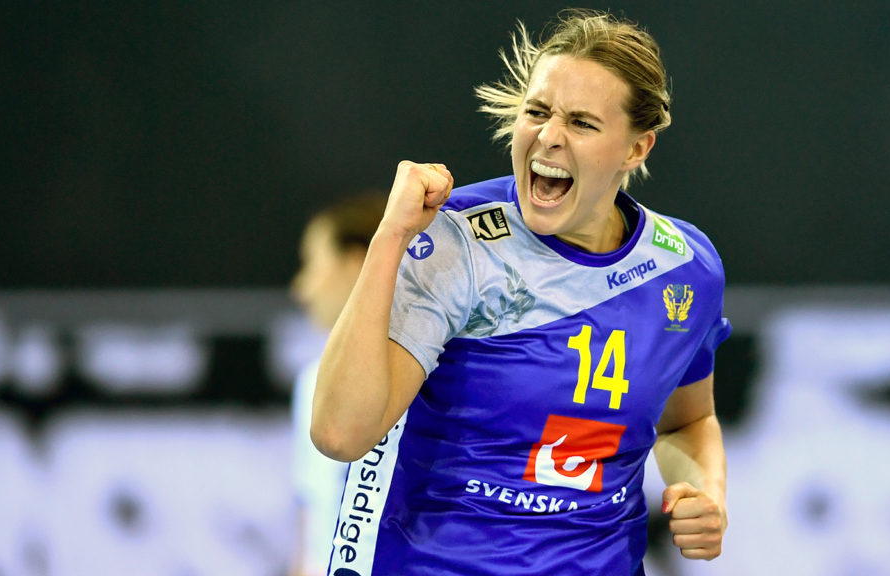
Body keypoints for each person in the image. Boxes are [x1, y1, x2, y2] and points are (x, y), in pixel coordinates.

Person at [312, 9, 731, 575]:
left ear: (636, 149)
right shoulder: (458, 241)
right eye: (537, 112)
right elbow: (340, 434)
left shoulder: (684, 268)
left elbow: (687, 421)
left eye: (581, 123)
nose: (549, 137)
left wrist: (704, 493)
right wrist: (390, 237)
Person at [288, 193, 387, 576]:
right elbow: (312, 522)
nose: (302, 289)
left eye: (312, 265)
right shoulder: (310, 382)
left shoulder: (429, 380)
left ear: (355, 263)